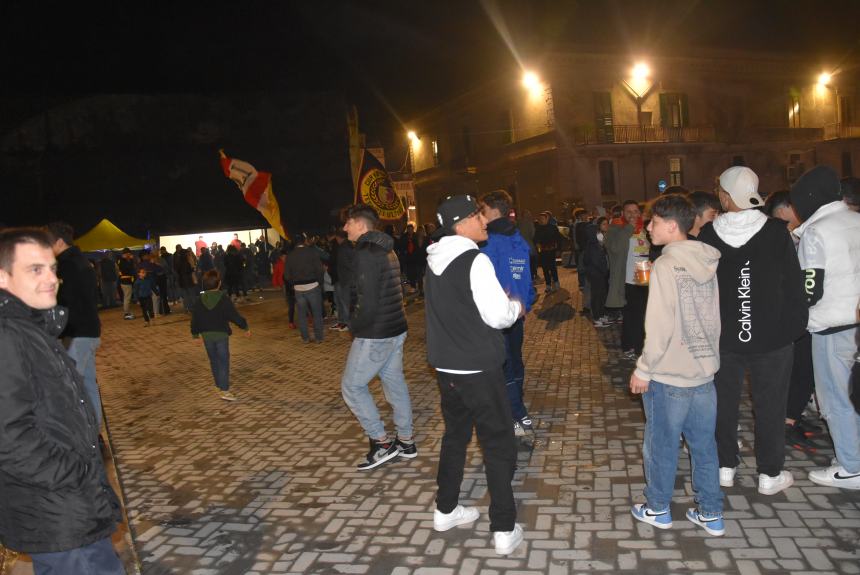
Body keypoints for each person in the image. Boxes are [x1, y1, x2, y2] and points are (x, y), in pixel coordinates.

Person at [0, 228, 124, 574]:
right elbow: (10, 439)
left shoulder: (30, 327)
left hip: (69, 512)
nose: (51, 279)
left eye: (52, 268)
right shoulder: (7, 335)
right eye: (35, 270)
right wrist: (78, 472)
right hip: (58, 513)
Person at [698, 166, 808, 495]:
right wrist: (793, 328)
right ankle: (769, 474)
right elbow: (793, 283)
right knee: (771, 404)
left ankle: (725, 467)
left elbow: (702, 288)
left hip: (724, 336)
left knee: (723, 403)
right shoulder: (776, 231)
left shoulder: (708, 234)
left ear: (725, 195)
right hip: (772, 337)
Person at [425, 194, 525, 556]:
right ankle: (503, 527)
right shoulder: (474, 260)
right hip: (478, 370)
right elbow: (497, 316)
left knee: (455, 437)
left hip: (448, 368)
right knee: (498, 445)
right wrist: (515, 307)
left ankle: (446, 509)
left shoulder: (433, 260)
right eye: (477, 216)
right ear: (460, 223)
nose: (484, 221)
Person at [628, 194, 725, 536]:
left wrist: (644, 368)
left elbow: (660, 324)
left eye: (653, 222)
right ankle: (711, 512)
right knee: (703, 445)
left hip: (670, 375)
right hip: (703, 370)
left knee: (662, 445)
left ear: (672, 226)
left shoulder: (667, 265)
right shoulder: (708, 261)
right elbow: (714, 318)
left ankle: (657, 508)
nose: (648, 227)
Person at [790, 165, 860, 489]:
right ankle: (852, 454)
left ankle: (851, 467)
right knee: (853, 394)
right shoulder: (855, 220)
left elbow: (810, 288)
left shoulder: (816, 231)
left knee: (835, 398)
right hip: (855, 321)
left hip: (831, 325)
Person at [340, 204, 415, 469]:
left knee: (352, 386)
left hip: (376, 332)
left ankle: (381, 443)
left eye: (348, 223)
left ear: (360, 224)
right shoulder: (387, 248)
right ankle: (405, 440)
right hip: (396, 327)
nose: (344, 228)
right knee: (394, 383)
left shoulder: (367, 253)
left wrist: (354, 327)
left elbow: (367, 301)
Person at [479, 190, 536, 437]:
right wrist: (525, 303)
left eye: (482, 210)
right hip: (517, 312)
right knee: (514, 360)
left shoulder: (489, 241)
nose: (479, 216)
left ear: (494, 211)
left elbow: (483, 279)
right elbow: (524, 277)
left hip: (498, 314)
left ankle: (516, 412)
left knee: (504, 367)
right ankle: (517, 410)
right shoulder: (517, 238)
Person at [46, 222, 106, 432]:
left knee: (69, 385)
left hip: (76, 333)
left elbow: (65, 301)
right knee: (87, 384)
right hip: (88, 330)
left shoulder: (68, 265)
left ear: (59, 242)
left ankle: (80, 434)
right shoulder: (81, 261)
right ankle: (94, 431)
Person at [190, 269, 250, 402]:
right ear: (219, 283)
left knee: (214, 360)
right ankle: (224, 390)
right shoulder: (223, 299)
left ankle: (218, 385)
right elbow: (233, 315)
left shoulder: (199, 300)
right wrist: (244, 326)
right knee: (223, 361)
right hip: (221, 334)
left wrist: (195, 335)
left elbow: (195, 318)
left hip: (206, 335)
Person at [606, 200, 650, 359]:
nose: (633, 215)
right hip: (627, 279)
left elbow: (645, 252)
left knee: (639, 313)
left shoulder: (644, 229)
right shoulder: (616, 228)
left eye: (635, 211)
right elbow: (615, 248)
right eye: (629, 212)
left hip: (643, 275)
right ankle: (636, 347)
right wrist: (630, 227)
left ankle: (630, 345)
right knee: (634, 314)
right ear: (623, 214)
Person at [284, 232, 325, 343]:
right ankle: (319, 338)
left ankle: (305, 338)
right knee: (317, 314)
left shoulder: (290, 255)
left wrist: (294, 284)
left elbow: (287, 275)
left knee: (302, 315)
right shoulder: (312, 252)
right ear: (304, 241)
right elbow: (320, 270)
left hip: (298, 288)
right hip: (313, 286)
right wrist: (319, 282)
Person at [583, 216, 610, 327]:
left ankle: (601, 314)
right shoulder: (594, 243)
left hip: (600, 272)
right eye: (604, 224)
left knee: (602, 294)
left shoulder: (601, 239)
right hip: (596, 273)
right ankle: (597, 317)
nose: (606, 226)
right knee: (597, 295)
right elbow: (596, 261)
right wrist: (604, 270)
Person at [533, 211, 564, 293]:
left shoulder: (553, 228)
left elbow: (559, 239)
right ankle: (548, 285)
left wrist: (558, 250)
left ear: (547, 219)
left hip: (551, 251)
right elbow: (535, 239)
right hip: (543, 252)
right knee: (545, 268)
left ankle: (556, 282)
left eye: (542, 218)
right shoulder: (538, 229)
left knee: (553, 267)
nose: (541, 220)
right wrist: (537, 244)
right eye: (540, 219)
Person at [331, 230, 354, 331]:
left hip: (344, 280)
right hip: (340, 279)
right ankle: (342, 322)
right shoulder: (343, 246)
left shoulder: (345, 247)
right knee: (340, 301)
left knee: (344, 302)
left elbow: (349, 265)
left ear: (338, 237)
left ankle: (347, 323)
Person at [117, 247, 136, 319]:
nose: (129, 255)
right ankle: (126, 313)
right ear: (125, 254)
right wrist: (130, 260)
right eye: (128, 254)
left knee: (127, 297)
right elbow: (127, 269)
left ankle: (127, 312)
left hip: (127, 280)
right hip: (125, 281)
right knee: (127, 297)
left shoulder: (123, 260)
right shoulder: (122, 261)